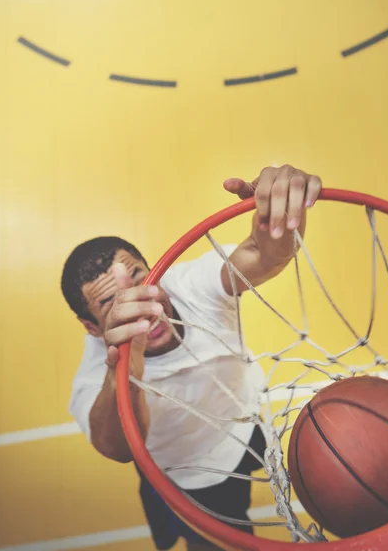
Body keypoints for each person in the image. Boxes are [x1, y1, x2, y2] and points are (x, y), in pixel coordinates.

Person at [61, 165, 322, 550]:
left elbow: (264, 256)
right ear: (92, 328)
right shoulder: (91, 379)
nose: (139, 303)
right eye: (111, 302)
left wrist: (280, 220)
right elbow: (118, 447)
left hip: (246, 422)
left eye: (139, 279)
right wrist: (127, 359)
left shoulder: (191, 285)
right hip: (191, 477)